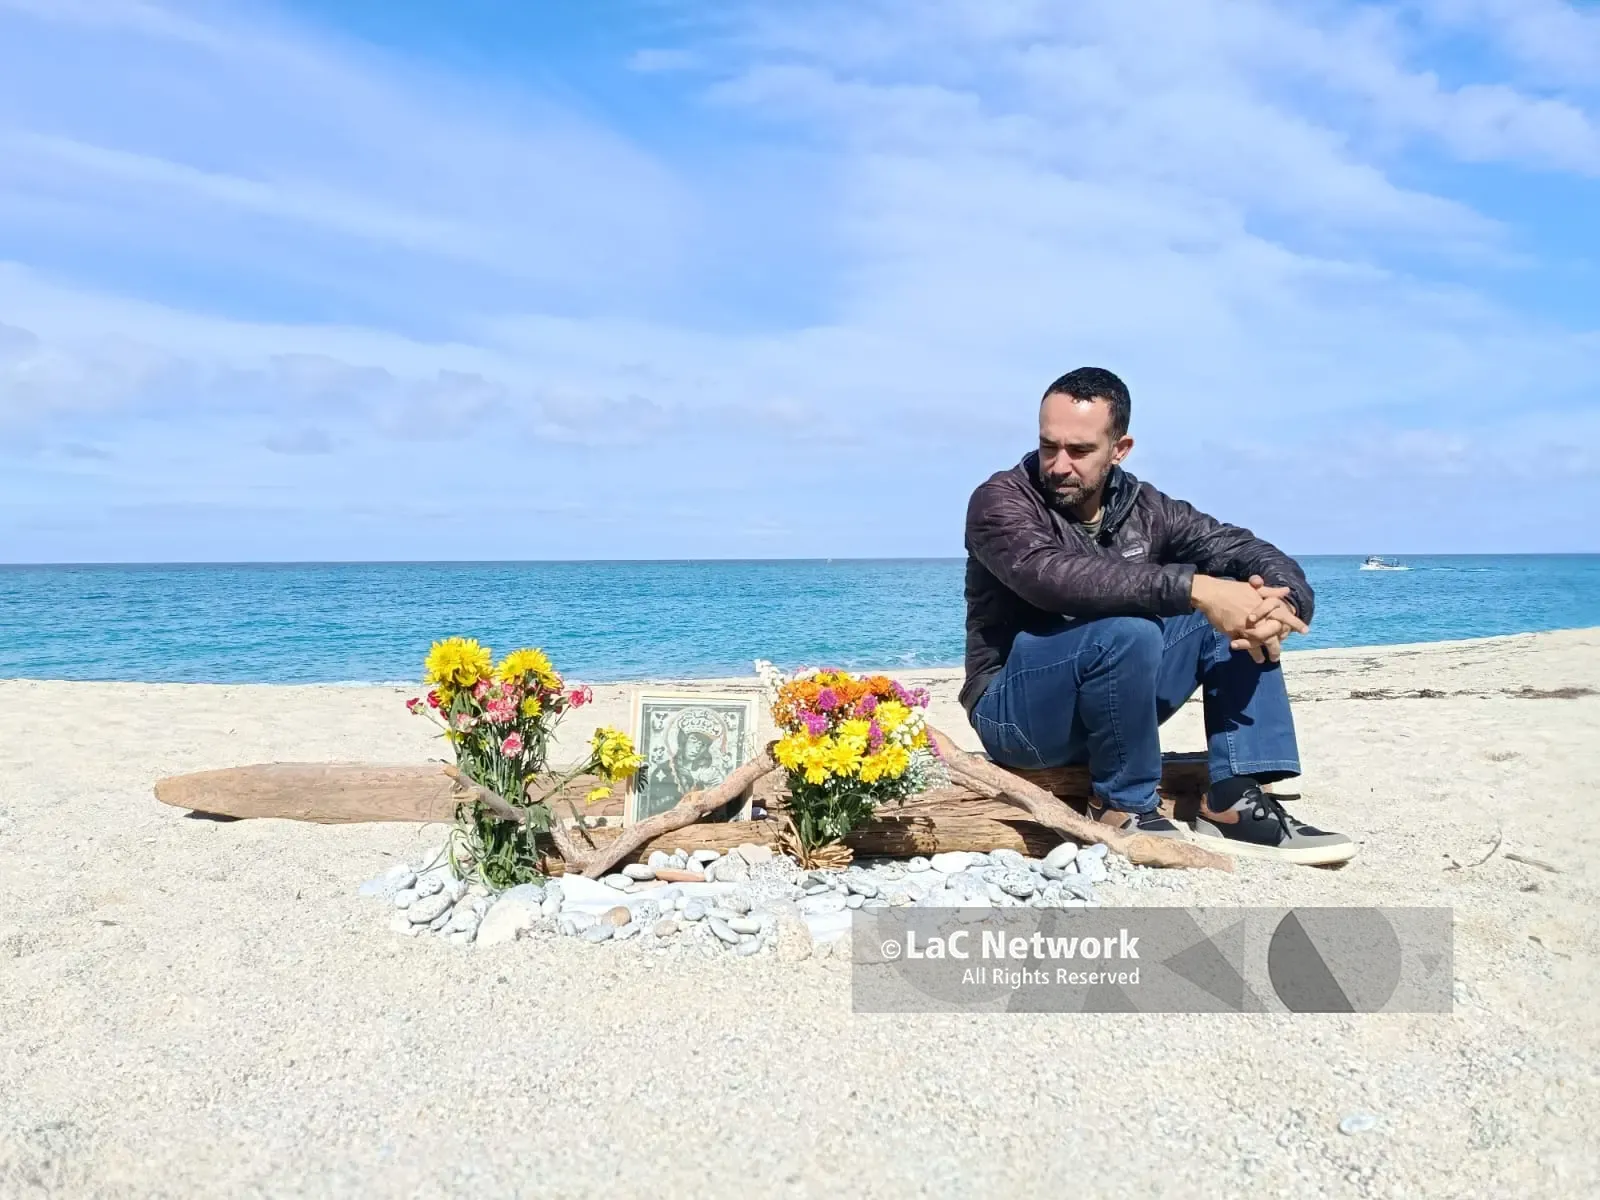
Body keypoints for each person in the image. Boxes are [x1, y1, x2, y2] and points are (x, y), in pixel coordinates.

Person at [962, 367, 1354, 864]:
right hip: (1015, 715)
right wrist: (1194, 587)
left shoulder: (1147, 508)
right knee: (1133, 624)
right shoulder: (1001, 501)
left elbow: (1242, 547)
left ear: (1119, 449)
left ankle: (1233, 797)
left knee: (1236, 605)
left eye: (1079, 451)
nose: (1059, 464)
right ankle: (1122, 807)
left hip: (1114, 702)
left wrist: (1281, 605)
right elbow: (1051, 578)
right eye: (1048, 446)